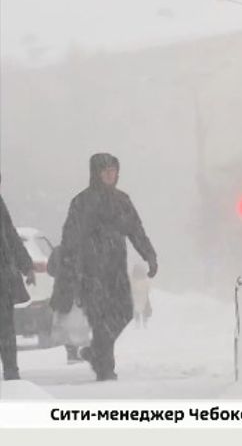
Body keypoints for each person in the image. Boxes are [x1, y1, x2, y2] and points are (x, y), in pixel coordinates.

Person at [60, 153, 157, 381]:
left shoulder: (122, 201)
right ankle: (105, 368)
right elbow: (70, 239)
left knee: (123, 312)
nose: (110, 175)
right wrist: (72, 270)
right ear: (96, 173)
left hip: (115, 271)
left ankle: (96, 353)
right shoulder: (81, 202)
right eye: (105, 171)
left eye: (113, 170)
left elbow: (136, 231)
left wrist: (150, 256)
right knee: (99, 319)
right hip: (90, 272)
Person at [0, 174, 36, 381]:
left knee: (6, 327)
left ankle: (12, 373)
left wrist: (26, 266)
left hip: (3, 277)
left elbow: (10, 235)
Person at [47, 244, 88, 364]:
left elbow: (50, 270)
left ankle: (71, 352)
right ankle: (73, 352)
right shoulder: (83, 250)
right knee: (75, 324)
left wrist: (61, 274)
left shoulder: (58, 251)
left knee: (66, 324)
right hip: (76, 293)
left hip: (62, 292)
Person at [129, 261, 152, 329]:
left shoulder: (133, 278)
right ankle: (144, 322)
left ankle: (137, 322)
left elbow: (131, 286)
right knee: (144, 308)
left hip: (136, 295)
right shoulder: (144, 279)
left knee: (136, 308)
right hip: (143, 295)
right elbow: (148, 288)